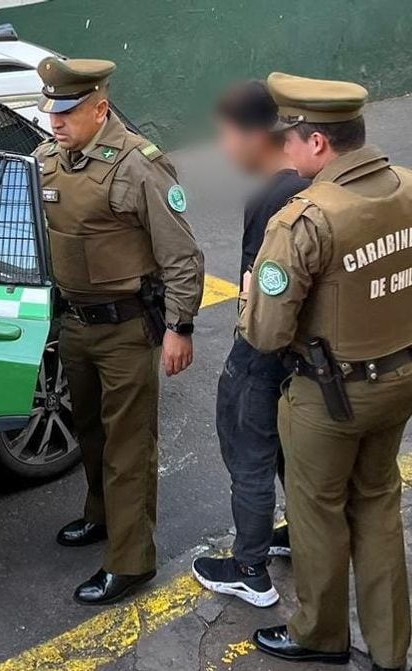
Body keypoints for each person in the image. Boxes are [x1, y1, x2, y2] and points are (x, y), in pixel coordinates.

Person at [242, 72, 412, 671]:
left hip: (328, 394)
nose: (282, 150)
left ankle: (320, 635)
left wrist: (246, 300)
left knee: (316, 512)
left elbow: (265, 333)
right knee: (377, 504)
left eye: (289, 137)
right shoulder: (408, 189)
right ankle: (391, 651)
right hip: (398, 381)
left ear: (317, 144)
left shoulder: (305, 219)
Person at [34, 57, 205, 605]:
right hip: (75, 324)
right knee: (90, 431)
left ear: (99, 108)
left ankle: (132, 562)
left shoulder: (138, 166)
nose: (54, 121)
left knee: (128, 447)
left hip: (128, 327)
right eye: (51, 110)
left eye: (67, 111)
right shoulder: (47, 160)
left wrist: (180, 326)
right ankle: (101, 516)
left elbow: (182, 256)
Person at [191, 81, 308, 608]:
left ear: (255, 135)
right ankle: (301, 540)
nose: (224, 148)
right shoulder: (313, 182)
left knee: (250, 454)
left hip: (264, 349)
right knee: (291, 455)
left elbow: (255, 290)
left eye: (226, 135)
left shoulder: (271, 198)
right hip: (308, 355)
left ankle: (250, 568)